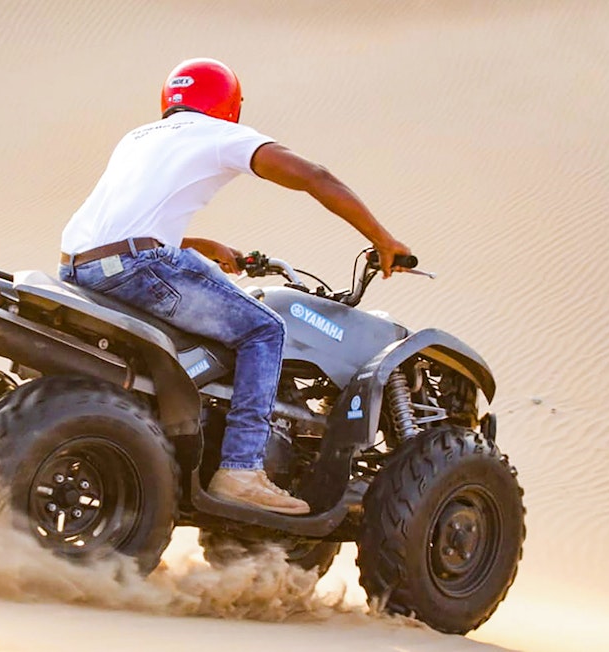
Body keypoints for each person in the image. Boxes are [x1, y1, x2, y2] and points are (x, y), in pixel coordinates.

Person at [58, 58, 411, 515]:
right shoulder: (220, 134)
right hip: (137, 266)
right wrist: (382, 240)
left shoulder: (138, 137)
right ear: (229, 105)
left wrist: (196, 244)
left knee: (199, 279)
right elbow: (314, 177)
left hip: (78, 266)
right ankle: (241, 469)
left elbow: (121, 222)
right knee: (263, 330)